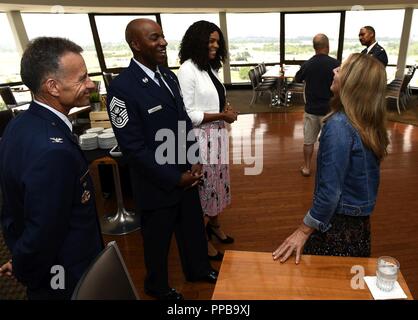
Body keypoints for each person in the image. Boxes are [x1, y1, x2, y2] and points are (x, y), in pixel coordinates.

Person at [106, 18, 217, 300]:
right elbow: (133, 148)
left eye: (163, 37)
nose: (163, 43)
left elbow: (183, 122)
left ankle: (198, 269)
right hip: (157, 182)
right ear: (136, 44)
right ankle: (156, 285)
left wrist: (194, 158)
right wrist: (173, 178)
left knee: (192, 229)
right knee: (158, 240)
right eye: (155, 38)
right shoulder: (122, 88)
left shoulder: (168, 76)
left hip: (186, 173)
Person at [0, 37, 103, 299]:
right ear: (53, 86)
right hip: (67, 273)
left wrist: (19, 256)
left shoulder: (20, 124)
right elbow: (44, 229)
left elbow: (14, 209)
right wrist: (25, 264)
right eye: (82, 78)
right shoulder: (52, 150)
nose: (90, 84)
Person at [273, 53, 389, 264]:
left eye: (341, 69)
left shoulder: (339, 125)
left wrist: (303, 230)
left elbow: (329, 192)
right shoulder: (368, 122)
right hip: (359, 226)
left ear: (353, 82)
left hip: (336, 228)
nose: (334, 71)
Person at [177, 20, 238, 261]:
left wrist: (225, 109)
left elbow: (212, 100)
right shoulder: (187, 70)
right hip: (201, 140)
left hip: (217, 135)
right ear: (198, 41)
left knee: (216, 185)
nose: (215, 46)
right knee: (204, 189)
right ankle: (201, 239)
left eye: (217, 42)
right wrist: (222, 115)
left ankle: (214, 226)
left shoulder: (209, 68)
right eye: (211, 41)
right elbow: (187, 113)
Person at [294, 34, 340, 177]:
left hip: (311, 110)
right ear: (328, 46)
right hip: (330, 111)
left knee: (308, 141)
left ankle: (307, 167)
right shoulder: (336, 64)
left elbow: (297, 78)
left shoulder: (307, 64)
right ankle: (328, 169)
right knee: (330, 142)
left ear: (314, 47)